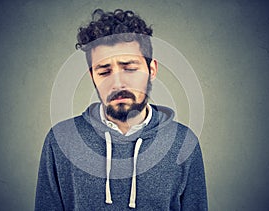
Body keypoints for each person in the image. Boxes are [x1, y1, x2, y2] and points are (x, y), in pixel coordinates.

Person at [35, 8, 208, 210]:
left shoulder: (183, 142)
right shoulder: (61, 139)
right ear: (93, 78)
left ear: (151, 70)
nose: (118, 83)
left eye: (129, 68)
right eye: (105, 71)